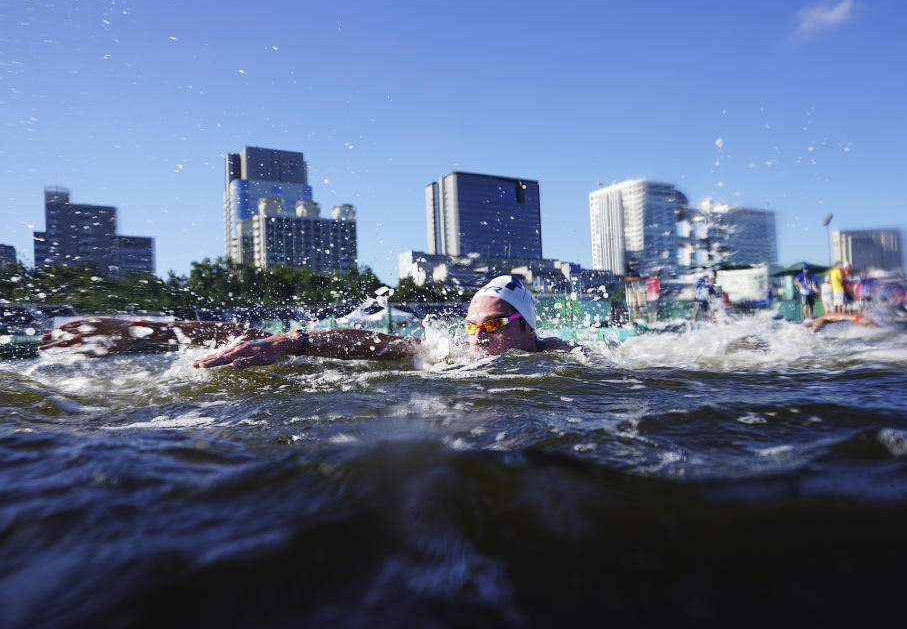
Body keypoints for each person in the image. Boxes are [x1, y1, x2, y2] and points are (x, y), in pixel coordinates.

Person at [39, 276, 577, 368]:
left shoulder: (560, 355)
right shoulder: (454, 356)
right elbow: (372, 341)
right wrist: (293, 341)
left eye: (492, 326)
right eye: (472, 326)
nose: (478, 337)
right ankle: (137, 329)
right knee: (260, 343)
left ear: (527, 328)